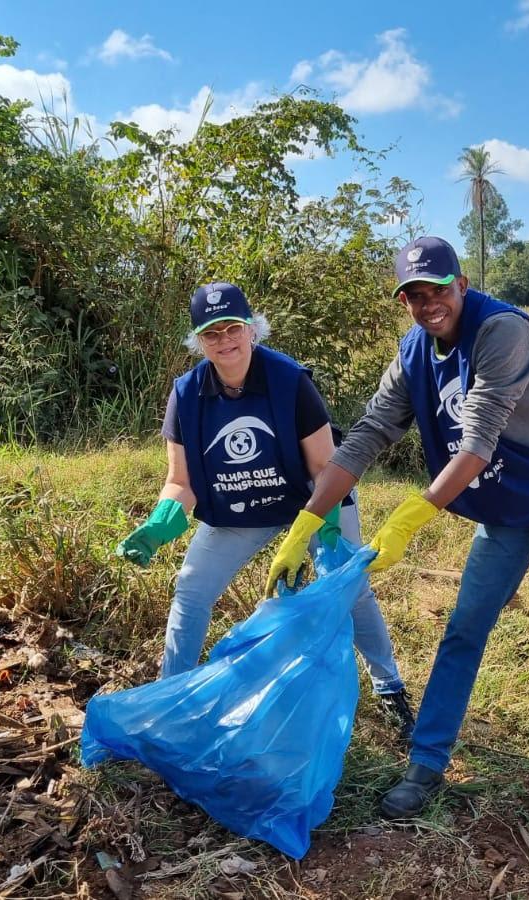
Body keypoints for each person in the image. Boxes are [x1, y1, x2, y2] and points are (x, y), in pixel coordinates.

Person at [262, 237, 529, 853]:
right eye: (414, 295)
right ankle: (426, 763)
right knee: (463, 630)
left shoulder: (504, 332)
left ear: (461, 282)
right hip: (509, 504)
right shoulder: (414, 353)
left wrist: (411, 515)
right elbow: (368, 435)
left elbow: (477, 442)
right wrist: (305, 523)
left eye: (437, 289)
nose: (428, 304)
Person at [116, 282, 417, 744]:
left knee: (350, 587)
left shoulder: (289, 381)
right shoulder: (187, 394)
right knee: (191, 592)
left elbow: (324, 467)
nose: (224, 340)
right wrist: (160, 522)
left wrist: (324, 536)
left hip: (312, 503)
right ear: (198, 341)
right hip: (239, 508)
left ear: (252, 329)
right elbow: (182, 481)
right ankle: (168, 697)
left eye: (232, 328)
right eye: (211, 333)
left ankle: (389, 686)